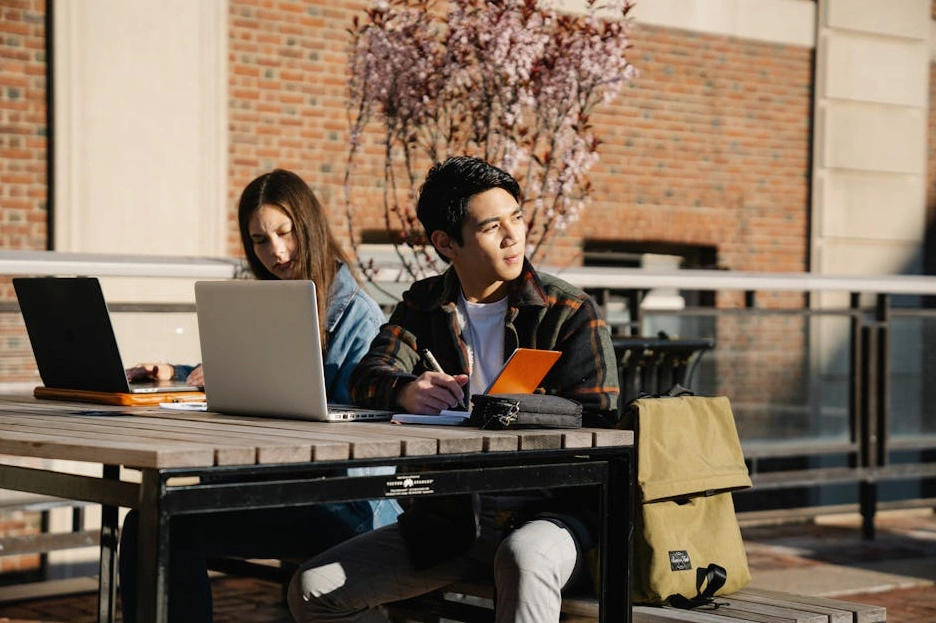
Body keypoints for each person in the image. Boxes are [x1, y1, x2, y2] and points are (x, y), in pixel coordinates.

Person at [287, 156, 620, 623]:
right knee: (312, 589)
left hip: (551, 519)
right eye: (492, 227)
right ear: (446, 243)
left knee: (523, 558)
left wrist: (512, 413)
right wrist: (405, 391)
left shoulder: (567, 310)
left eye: (517, 218)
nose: (513, 236)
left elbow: (602, 421)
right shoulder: (423, 307)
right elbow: (366, 379)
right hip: (450, 524)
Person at [119, 169, 400, 623]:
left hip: (345, 501)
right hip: (282, 487)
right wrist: (184, 372)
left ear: (308, 225)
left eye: (284, 233)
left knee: (160, 523)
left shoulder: (357, 317)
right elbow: (266, 379)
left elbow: (364, 430)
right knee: (149, 521)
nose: (276, 252)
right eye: (260, 241)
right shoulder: (274, 304)